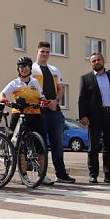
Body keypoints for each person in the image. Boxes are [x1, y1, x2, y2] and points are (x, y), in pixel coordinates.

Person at [0, 56, 51, 186]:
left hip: (35, 114)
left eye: (26, 66)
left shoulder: (35, 82)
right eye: (21, 67)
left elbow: (42, 97)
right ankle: (22, 174)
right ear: (18, 69)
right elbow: (2, 94)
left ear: (30, 68)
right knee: (18, 145)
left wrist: (43, 101)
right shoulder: (14, 83)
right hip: (19, 114)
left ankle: (42, 174)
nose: (23, 69)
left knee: (41, 146)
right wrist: (4, 100)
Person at [78, 52, 110, 184]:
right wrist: (83, 116)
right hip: (94, 116)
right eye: (93, 61)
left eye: (98, 60)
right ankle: (93, 175)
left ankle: (109, 175)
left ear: (103, 61)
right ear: (90, 63)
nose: (96, 62)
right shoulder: (86, 78)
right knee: (93, 147)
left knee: (109, 146)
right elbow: (82, 98)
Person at [32, 41, 75, 183]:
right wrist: (45, 102)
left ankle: (61, 174)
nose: (45, 54)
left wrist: (55, 101)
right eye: (42, 51)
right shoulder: (31, 69)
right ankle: (41, 174)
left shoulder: (54, 69)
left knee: (58, 143)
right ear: (37, 52)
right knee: (41, 144)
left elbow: (61, 88)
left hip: (55, 110)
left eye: (47, 52)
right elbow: (30, 88)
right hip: (39, 111)